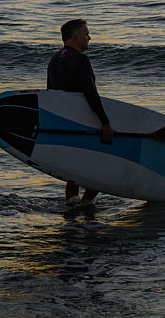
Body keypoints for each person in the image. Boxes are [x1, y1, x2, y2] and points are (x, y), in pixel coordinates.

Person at [47, 18, 115, 204]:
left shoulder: (54, 59)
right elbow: (90, 93)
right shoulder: (81, 60)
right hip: (84, 121)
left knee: (73, 168)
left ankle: (71, 206)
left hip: (64, 122)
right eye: (86, 34)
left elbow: (50, 94)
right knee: (102, 165)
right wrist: (105, 122)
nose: (89, 38)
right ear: (77, 38)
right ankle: (85, 204)